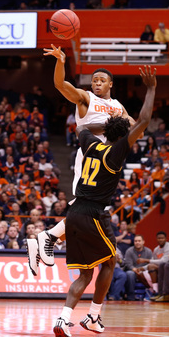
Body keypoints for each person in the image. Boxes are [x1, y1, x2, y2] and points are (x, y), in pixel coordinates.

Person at [49, 65, 157, 337]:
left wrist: (103, 122)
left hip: (74, 213)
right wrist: (152, 89)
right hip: (94, 214)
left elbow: (83, 128)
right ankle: (94, 316)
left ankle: (63, 319)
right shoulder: (118, 153)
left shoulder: (89, 143)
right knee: (111, 263)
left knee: (85, 275)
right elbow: (143, 122)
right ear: (123, 137)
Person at [30, 44, 135, 269]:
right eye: (94, 80)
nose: (96, 83)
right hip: (89, 157)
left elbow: (137, 129)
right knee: (82, 208)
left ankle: (48, 238)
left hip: (109, 160)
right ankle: (48, 238)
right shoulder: (85, 98)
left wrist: (122, 121)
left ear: (110, 84)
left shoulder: (118, 106)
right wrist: (60, 61)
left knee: (89, 211)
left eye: (101, 80)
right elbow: (60, 84)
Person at [124, 234, 153, 300]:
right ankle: (130, 296)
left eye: (139, 241)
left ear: (143, 242)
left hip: (145, 271)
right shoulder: (129, 251)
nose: (137, 242)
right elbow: (128, 264)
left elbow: (151, 263)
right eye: (135, 241)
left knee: (152, 273)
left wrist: (143, 270)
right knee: (129, 274)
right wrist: (134, 269)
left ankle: (149, 294)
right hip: (133, 271)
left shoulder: (149, 251)